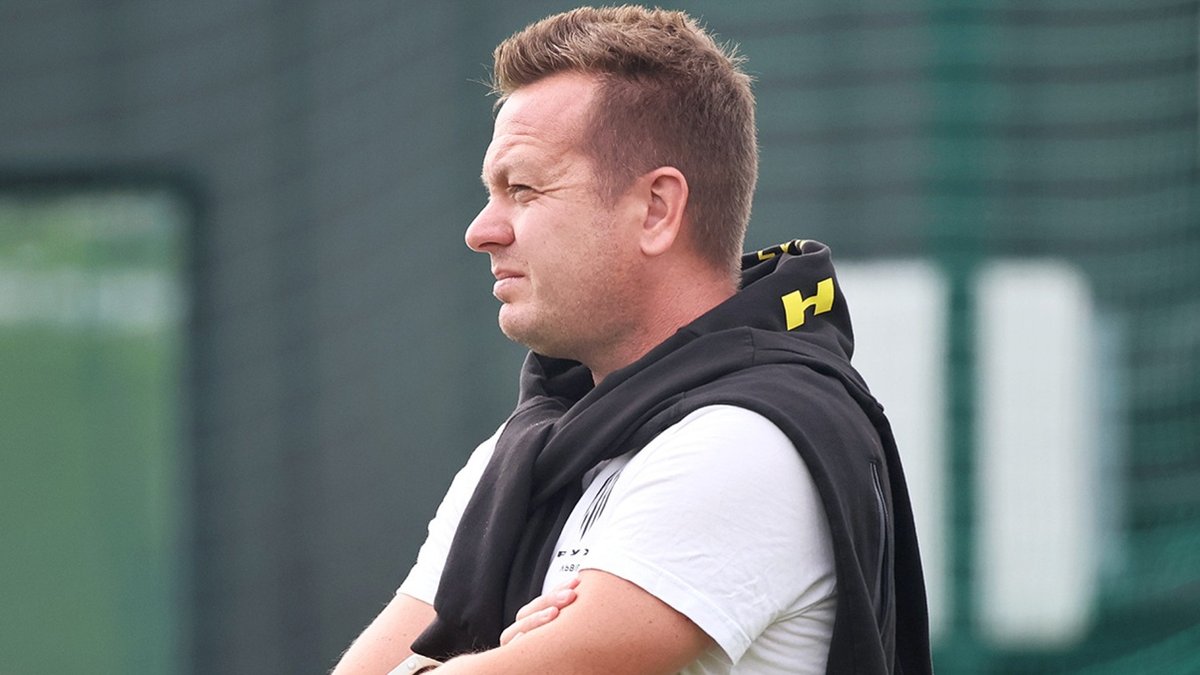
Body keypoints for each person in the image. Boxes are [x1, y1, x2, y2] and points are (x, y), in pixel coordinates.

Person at [333, 6, 930, 674]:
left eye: (523, 189)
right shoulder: (524, 449)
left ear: (656, 209)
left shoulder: (743, 439)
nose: (482, 231)